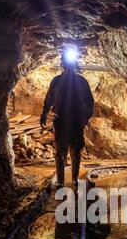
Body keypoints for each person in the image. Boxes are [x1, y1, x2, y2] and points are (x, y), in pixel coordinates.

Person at [40, 49, 94, 187]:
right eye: (65, 62)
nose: (67, 65)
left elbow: (89, 102)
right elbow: (49, 99)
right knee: (60, 153)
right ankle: (60, 181)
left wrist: (85, 119)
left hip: (76, 122)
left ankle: (75, 179)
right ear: (62, 64)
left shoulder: (82, 82)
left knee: (75, 152)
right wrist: (44, 114)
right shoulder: (56, 81)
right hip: (61, 122)